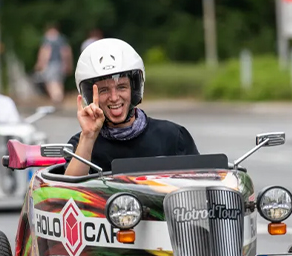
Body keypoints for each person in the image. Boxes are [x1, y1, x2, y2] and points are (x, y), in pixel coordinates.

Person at [63, 38, 197, 176]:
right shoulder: (80, 145)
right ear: (90, 95)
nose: (114, 97)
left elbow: (199, 184)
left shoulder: (173, 136)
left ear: (134, 89)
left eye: (121, 87)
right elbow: (69, 191)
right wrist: (89, 137)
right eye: (103, 90)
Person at [35, 25, 72, 108]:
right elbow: (66, 52)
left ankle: (56, 99)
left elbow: (46, 52)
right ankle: (59, 98)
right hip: (60, 64)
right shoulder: (62, 39)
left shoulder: (47, 40)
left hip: (51, 64)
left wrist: (41, 63)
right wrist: (67, 64)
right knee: (58, 82)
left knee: (51, 82)